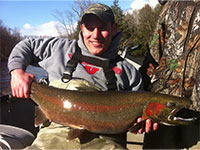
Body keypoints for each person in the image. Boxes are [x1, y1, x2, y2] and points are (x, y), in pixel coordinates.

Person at [7, 3, 158, 149]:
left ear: (114, 29)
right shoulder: (59, 48)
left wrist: (140, 125)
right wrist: (17, 72)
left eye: (103, 28)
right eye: (90, 28)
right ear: (82, 29)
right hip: (52, 136)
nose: (96, 35)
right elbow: (25, 46)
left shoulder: (128, 72)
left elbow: (136, 122)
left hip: (106, 142)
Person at [140, 0, 200, 149]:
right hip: (162, 104)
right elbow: (154, 53)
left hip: (197, 109)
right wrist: (137, 94)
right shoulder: (171, 6)